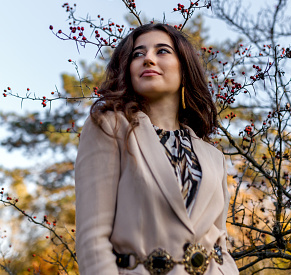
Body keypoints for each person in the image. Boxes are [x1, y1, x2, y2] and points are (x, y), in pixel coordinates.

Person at [75, 23, 239, 275]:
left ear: (184, 69)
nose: (148, 58)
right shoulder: (110, 126)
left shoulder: (214, 156)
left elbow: (221, 247)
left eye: (162, 51)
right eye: (137, 54)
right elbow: (92, 241)